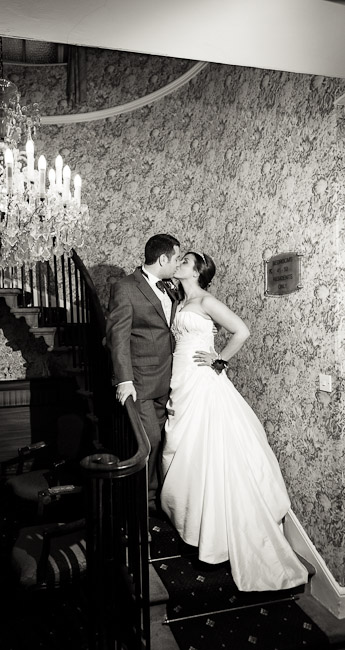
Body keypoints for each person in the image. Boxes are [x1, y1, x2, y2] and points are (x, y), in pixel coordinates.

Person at [160, 251, 308, 592]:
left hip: (202, 379)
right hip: (181, 381)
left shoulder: (207, 301)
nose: (180, 263)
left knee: (210, 450)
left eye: (186, 261)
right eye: (179, 259)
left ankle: (219, 537)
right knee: (183, 448)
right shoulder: (179, 302)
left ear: (197, 271)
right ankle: (195, 526)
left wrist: (219, 359)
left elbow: (242, 330)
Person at [106, 234, 181, 512]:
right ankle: (144, 505)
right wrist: (124, 379)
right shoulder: (125, 288)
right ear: (163, 259)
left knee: (169, 443)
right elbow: (118, 336)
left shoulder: (172, 287)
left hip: (172, 381)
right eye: (175, 258)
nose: (177, 264)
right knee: (150, 442)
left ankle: (163, 498)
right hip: (142, 383)